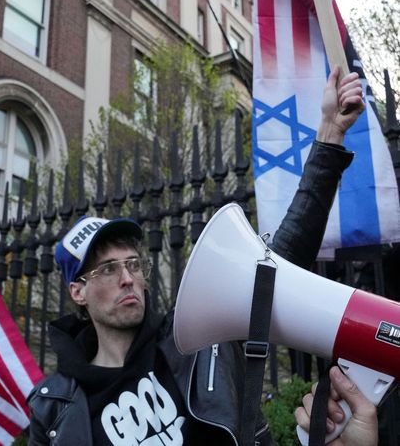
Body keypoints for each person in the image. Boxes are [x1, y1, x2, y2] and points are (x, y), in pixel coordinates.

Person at [27, 65, 377, 445]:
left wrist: (329, 133)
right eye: (108, 269)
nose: (128, 278)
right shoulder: (54, 409)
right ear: (78, 291)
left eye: (132, 264)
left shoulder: (197, 336)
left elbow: (277, 266)